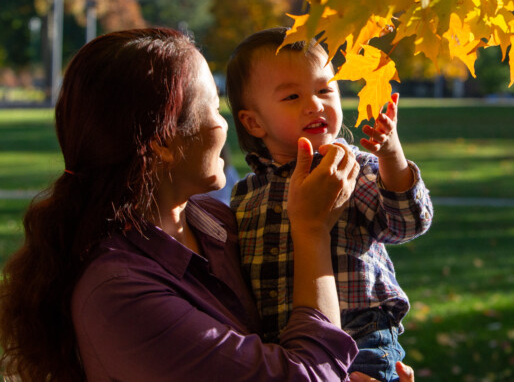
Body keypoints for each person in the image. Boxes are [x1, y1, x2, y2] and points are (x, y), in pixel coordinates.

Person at [0, 28, 414, 381]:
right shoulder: (120, 295)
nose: (224, 124)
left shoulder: (216, 223)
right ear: (162, 143)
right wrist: (311, 229)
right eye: (213, 107)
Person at [226, 28, 433, 382]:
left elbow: (409, 222)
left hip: (360, 339)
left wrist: (391, 155)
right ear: (253, 122)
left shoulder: (350, 169)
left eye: (325, 90)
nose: (315, 104)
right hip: (280, 343)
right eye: (292, 96)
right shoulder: (246, 194)